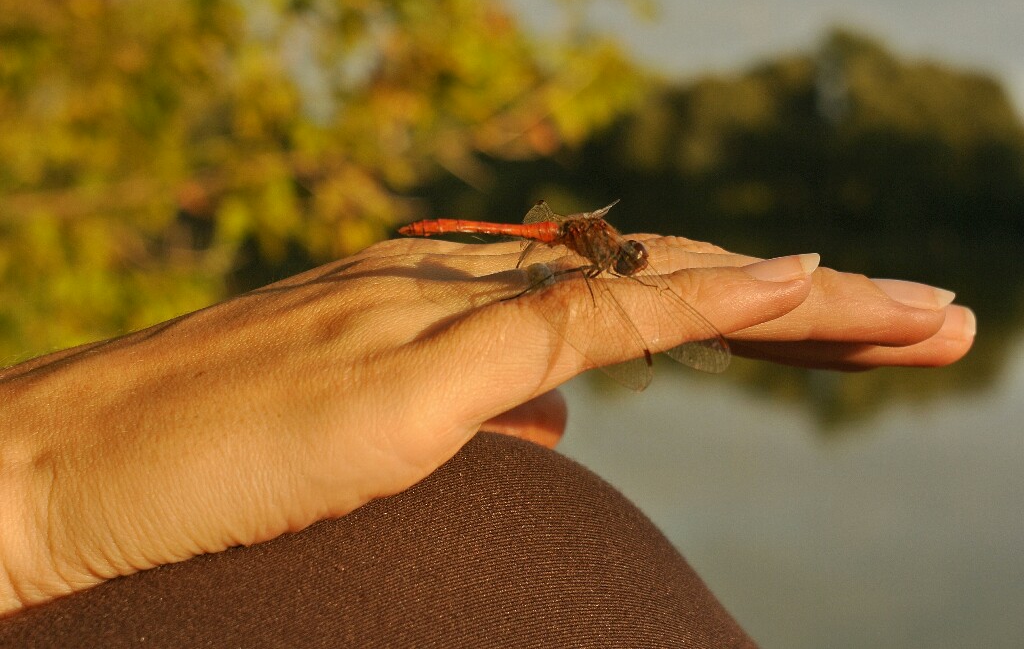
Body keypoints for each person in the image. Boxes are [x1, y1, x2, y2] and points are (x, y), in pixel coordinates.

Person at [0, 233, 973, 647]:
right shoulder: (564, 265)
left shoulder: (597, 260)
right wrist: (28, 489)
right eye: (619, 259)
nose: (625, 261)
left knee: (495, 492)